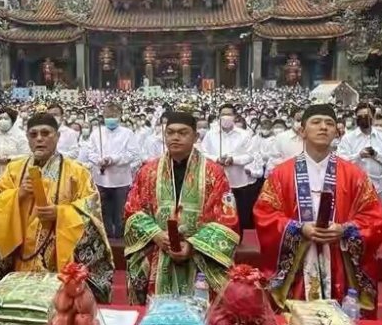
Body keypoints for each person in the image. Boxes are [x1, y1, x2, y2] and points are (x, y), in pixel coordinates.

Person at [253, 104, 382, 314]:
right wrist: (298, 229)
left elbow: (373, 216)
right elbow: (265, 214)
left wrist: (345, 230)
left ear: (337, 132)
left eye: (329, 123)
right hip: (296, 265)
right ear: (302, 131)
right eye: (316, 122)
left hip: (339, 261)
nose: (323, 127)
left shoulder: (354, 175)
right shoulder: (281, 174)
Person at [0, 113, 114, 302]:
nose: (39, 139)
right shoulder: (13, 170)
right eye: (33, 134)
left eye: (45, 133)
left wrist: (61, 213)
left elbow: (92, 210)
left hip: (60, 260)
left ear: (57, 137)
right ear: (27, 138)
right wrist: (18, 195)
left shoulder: (77, 172)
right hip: (21, 258)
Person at [123, 111, 239, 304]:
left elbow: (227, 219)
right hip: (158, 252)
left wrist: (192, 246)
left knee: (200, 319)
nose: (175, 137)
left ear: (195, 137)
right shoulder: (148, 171)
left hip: (200, 257)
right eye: (170, 132)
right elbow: (132, 209)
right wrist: (156, 235)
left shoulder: (214, 173)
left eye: (183, 133)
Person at [83, 103, 140, 239]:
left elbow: (132, 154)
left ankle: (121, 237)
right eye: (108, 116)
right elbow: (90, 152)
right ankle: (107, 236)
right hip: (101, 178)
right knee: (104, 210)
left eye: (114, 116)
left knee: (120, 210)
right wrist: (98, 160)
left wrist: (113, 159)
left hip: (121, 179)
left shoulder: (127, 133)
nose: (111, 119)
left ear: (120, 116)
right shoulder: (97, 133)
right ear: (103, 116)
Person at [200, 104, 258, 232]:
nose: (226, 117)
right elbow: (203, 153)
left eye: (229, 114)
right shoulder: (211, 134)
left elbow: (250, 155)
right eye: (223, 115)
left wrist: (234, 160)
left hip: (238, 181)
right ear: (219, 117)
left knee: (239, 212)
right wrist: (216, 159)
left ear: (235, 116)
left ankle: (238, 236)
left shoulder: (244, 134)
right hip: (215, 181)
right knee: (217, 212)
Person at [337, 102, 382, 209]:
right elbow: (341, 161)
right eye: (359, 116)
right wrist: (359, 155)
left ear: (373, 117)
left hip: (377, 188)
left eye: (366, 116)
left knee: (374, 220)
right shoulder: (348, 139)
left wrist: (376, 155)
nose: (363, 118)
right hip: (354, 188)